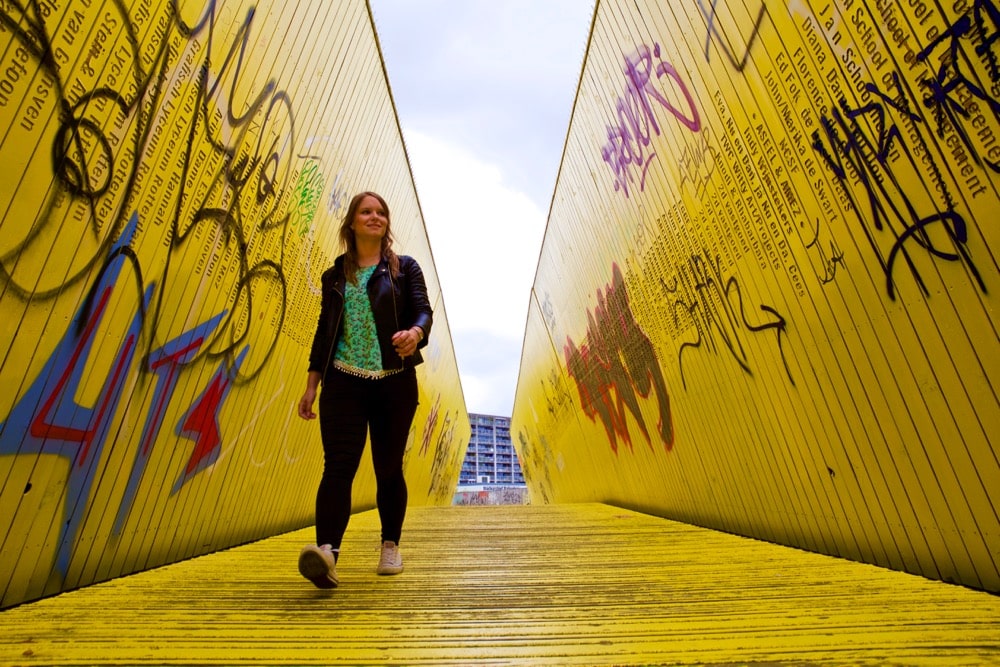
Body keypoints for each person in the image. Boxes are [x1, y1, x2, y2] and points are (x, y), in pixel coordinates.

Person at [296, 191, 432, 589]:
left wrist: (416, 332)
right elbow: (325, 333)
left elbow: (423, 309)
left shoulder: (404, 269)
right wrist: (311, 384)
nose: (375, 217)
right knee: (338, 467)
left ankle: (390, 544)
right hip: (343, 383)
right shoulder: (335, 275)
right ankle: (326, 554)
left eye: (381, 212)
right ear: (352, 223)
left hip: (394, 383)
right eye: (366, 212)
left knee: (388, 468)